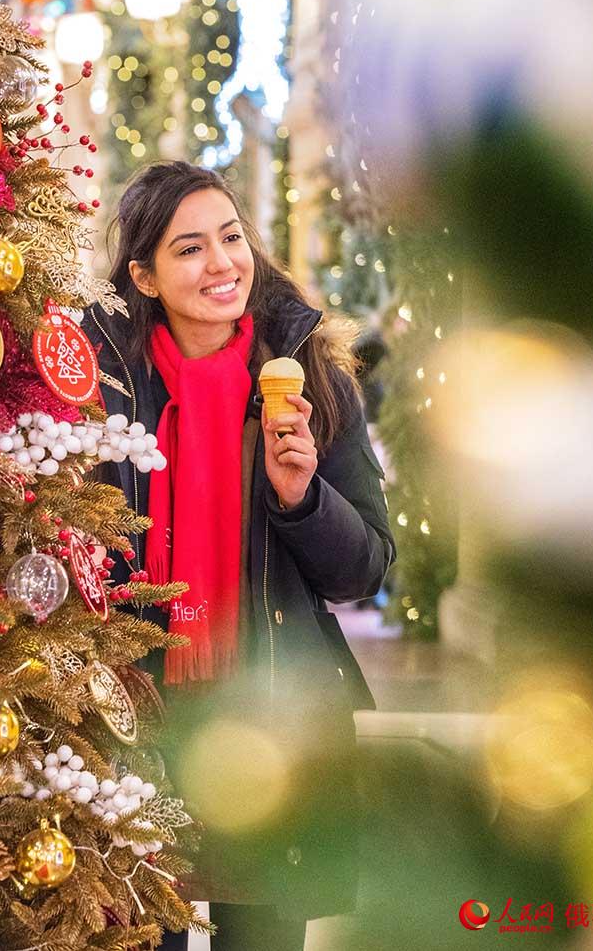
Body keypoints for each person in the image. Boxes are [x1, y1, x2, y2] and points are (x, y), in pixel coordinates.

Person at [84, 161, 395, 951]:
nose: (222, 263)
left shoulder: (315, 380)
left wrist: (303, 497)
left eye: (230, 237)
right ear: (144, 276)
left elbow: (362, 571)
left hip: (273, 723)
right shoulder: (103, 388)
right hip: (138, 724)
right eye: (189, 249)